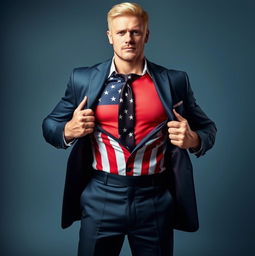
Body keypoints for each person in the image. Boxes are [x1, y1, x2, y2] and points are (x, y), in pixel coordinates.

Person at [42, 2, 217, 256]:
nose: (129, 39)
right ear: (109, 36)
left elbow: (208, 128)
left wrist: (194, 140)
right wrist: (68, 130)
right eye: (121, 32)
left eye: (135, 32)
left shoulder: (175, 81)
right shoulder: (82, 79)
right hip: (101, 195)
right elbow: (49, 125)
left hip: (154, 198)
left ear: (146, 35)